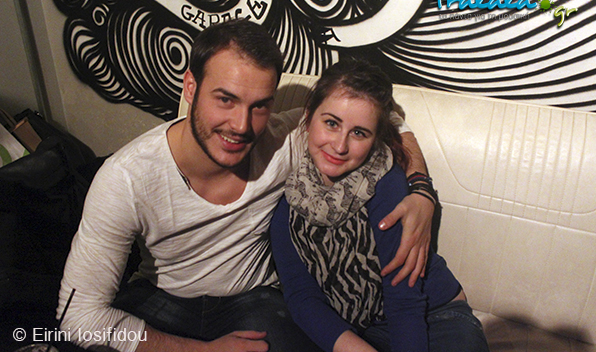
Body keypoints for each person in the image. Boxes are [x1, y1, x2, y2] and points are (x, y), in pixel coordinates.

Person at [57, 19, 435, 352]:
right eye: (226, 99)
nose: (241, 125)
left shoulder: (288, 140)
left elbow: (385, 118)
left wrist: (420, 190)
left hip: (254, 301)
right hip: (164, 297)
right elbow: (77, 316)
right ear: (190, 86)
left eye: (259, 106)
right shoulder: (125, 178)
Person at [270, 59, 490, 352]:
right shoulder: (288, 201)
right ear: (309, 117)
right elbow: (301, 298)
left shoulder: (386, 184)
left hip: (433, 317)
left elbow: (404, 303)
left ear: (375, 138)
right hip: (358, 329)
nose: (340, 146)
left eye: (359, 133)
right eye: (332, 123)